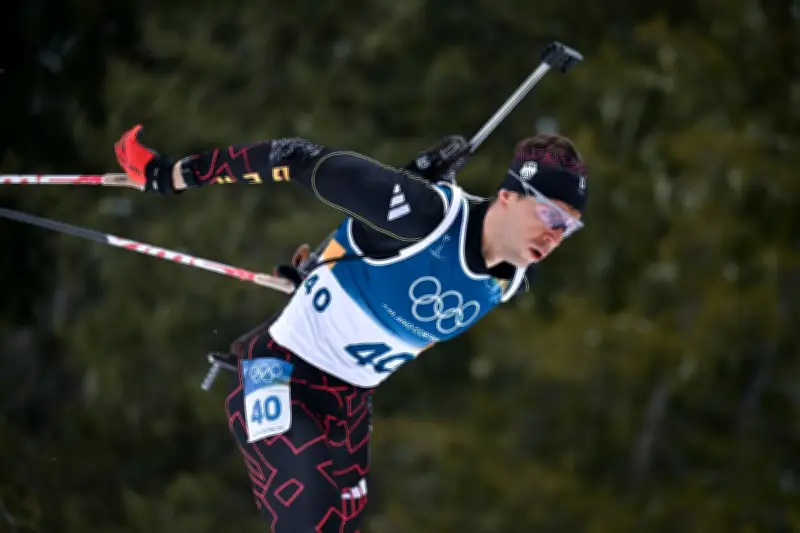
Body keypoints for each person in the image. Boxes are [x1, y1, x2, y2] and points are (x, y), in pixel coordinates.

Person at [113, 125, 589, 532]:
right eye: (550, 215)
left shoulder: (511, 281)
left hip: (347, 408)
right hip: (277, 373)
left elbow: (372, 249)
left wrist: (320, 271)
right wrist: (171, 175)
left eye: (568, 229)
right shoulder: (424, 215)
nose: (555, 235)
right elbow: (293, 157)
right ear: (506, 196)